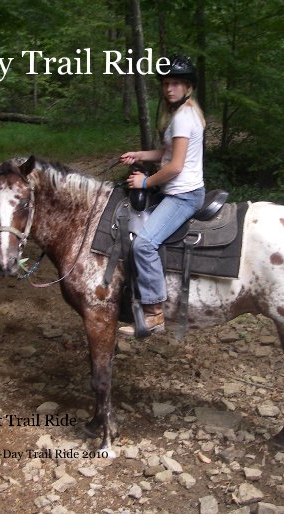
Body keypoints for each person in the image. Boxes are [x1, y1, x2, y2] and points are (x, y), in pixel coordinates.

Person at [118, 54, 206, 336]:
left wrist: (145, 182)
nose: (170, 88)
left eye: (177, 83)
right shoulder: (181, 115)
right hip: (176, 190)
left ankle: (154, 313)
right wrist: (139, 154)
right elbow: (166, 154)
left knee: (143, 244)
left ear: (188, 87)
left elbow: (175, 166)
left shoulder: (183, 118)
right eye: (167, 83)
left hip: (184, 195)